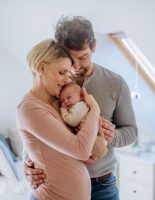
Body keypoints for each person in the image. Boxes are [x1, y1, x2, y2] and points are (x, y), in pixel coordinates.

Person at [25, 16, 138, 200]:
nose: (76, 67)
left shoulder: (115, 83)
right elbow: (33, 125)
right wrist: (28, 163)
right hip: (54, 185)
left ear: (94, 46)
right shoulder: (53, 83)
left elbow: (131, 131)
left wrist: (112, 136)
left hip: (100, 187)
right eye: (70, 59)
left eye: (83, 57)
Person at [16, 38, 107, 200]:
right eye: (61, 72)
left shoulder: (60, 102)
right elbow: (80, 150)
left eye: (68, 72)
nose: (67, 79)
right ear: (42, 68)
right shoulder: (29, 108)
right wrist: (94, 110)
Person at [59, 82, 107, 163]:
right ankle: (92, 156)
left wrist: (62, 110)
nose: (66, 101)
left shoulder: (79, 106)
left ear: (81, 96)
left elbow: (72, 121)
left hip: (94, 137)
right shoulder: (77, 106)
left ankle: (92, 155)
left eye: (69, 97)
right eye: (62, 101)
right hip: (92, 136)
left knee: (97, 149)